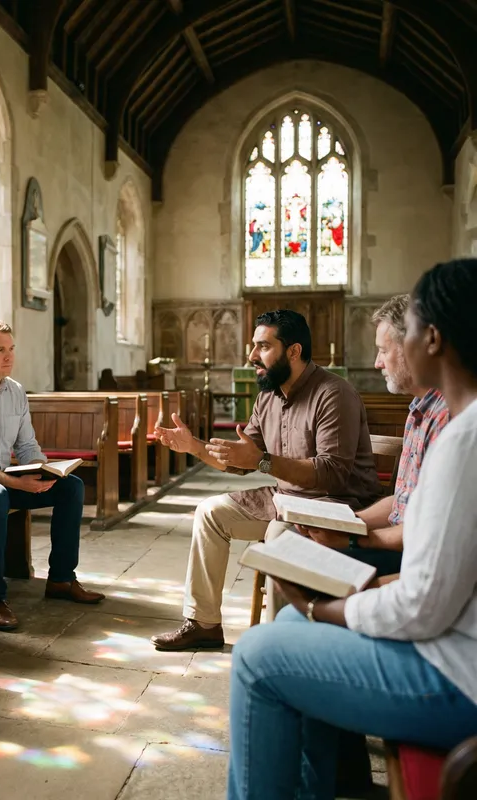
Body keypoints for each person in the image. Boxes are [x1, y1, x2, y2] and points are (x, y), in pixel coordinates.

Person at [227, 259, 477, 800]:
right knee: (289, 621)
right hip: (454, 637)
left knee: (256, 657)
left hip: (458, 673)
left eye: (394, 341)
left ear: (432, 339)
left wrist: (324, 608)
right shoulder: (460, 427)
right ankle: (327, 782)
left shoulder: (465, 440)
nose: (380, 356)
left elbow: (422, 605)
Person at [150, 310, 382, 651]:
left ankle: (280, 646)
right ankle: (203, 624)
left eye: (263, 346)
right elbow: (242, 460)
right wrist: (194, 447)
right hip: (285, 498)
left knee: (278, 534)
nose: (251, 356)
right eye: (253, 346)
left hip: (337, 504)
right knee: (210, 513)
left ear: (293, 351)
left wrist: (261, 460)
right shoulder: (268, 396)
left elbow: (332, 475)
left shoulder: (334, 393)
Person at [0, 319, 104, 631]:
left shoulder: (15, 391)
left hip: (0, 477)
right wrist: (13, 482)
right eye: (0, 350)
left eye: (11, 348)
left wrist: (39, 469)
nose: (9, 356)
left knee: (71, 487)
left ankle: (62, 579)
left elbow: (26, 445)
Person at [300, 294, 449, 576]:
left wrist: (354, 539)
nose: (377, 362)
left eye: (383, 350)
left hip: (417, 560)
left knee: (298, 565)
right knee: (291, 549)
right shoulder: (419, 409)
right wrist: (347, 521)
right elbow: (402, 500)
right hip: (396, 542)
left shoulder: (447, 417)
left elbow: (433, 531)